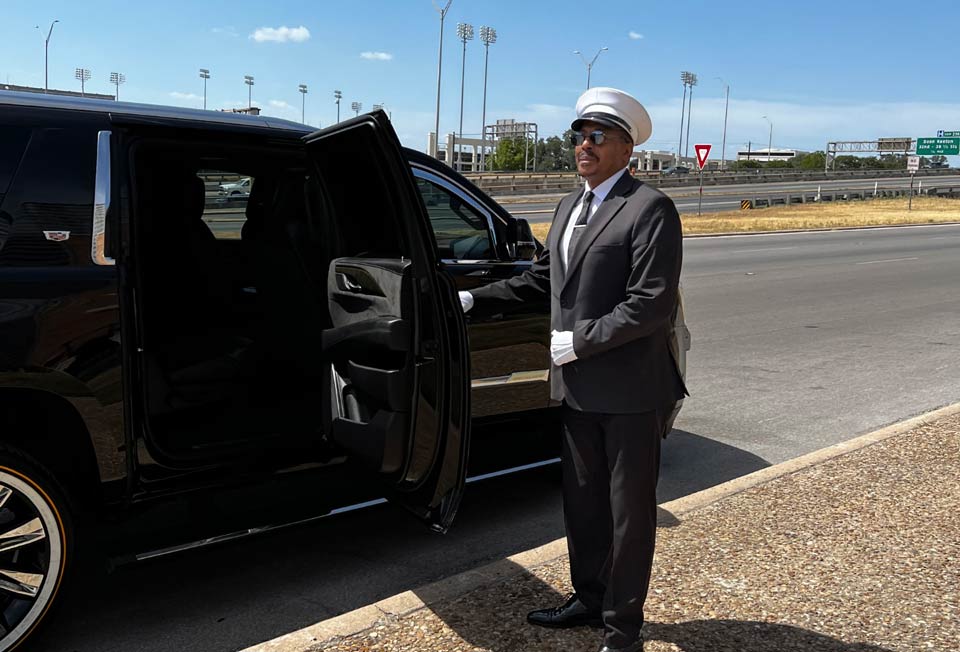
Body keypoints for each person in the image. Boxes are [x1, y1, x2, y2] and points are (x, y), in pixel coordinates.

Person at [459, 87, 687, 652]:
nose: (582, 145)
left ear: (626, 147)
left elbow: (650, 303)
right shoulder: (568, 206)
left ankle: (623, 630)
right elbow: (544, 280)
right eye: (577, 135)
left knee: (629, 516)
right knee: (582, 505)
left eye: (596, 136)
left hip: (631, 391)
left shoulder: (648, 207)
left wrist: (578, 343)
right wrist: (472, 300)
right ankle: (589, 599)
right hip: (578, 388)